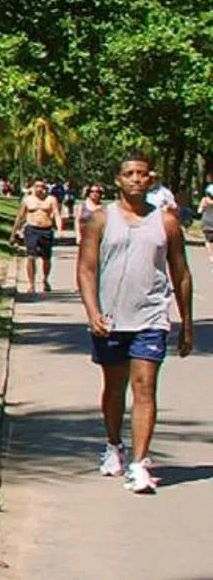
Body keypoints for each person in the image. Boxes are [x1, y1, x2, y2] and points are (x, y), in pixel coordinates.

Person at [77, 153, 195, 494]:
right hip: (111, 320)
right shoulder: (100, 219)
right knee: (115, 388)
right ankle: (114, 445)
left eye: (141, 174)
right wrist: (92, 312)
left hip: (151, 317)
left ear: (151, 180)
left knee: (145, 387)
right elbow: (86, 269)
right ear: (118, 180)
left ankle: (140, 464)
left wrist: (186, 323)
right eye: (128, 173)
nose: (135, 179)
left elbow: (181, 273)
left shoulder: (167, 222)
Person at [11, 179, 63, 296]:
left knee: (46, 258)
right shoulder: (27, 200)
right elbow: (20, 217)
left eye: (43, 187)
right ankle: (31, 284)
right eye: (38, 187)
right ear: (34, 187)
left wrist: (60, 230)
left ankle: (45, 279)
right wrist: (13, 233)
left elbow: (57, 215)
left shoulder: (51, 200)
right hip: (31, 230)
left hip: (46, 230)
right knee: (31, 256)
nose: (41, 189)